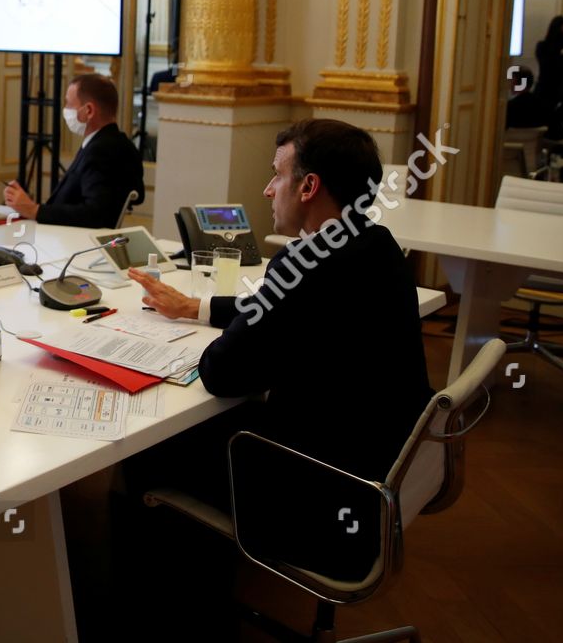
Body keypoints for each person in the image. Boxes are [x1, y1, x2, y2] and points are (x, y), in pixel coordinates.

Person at [127, 119, 432, 579]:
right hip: (377, 479)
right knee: (224, 421)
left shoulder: (302, 265)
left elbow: (220, 371)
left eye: (277, 175)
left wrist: (238, 327)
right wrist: (198, 306)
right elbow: (289, 311)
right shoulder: (376, 246)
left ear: (309, 186)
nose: (269, 189)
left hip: (319, 499)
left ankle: (177, 600)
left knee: (149, 445)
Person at [2, 73, 145, 228]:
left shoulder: (102, 150)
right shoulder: (116, 142)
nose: (65, 110)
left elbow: (94, 214)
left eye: (69, 105)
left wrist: (33, 210)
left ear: (89, 110)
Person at [504, 65, 553, 130]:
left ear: (515, 82)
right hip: (534, 140)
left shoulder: (509, 108)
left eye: (511, 80)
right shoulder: (544, 106)